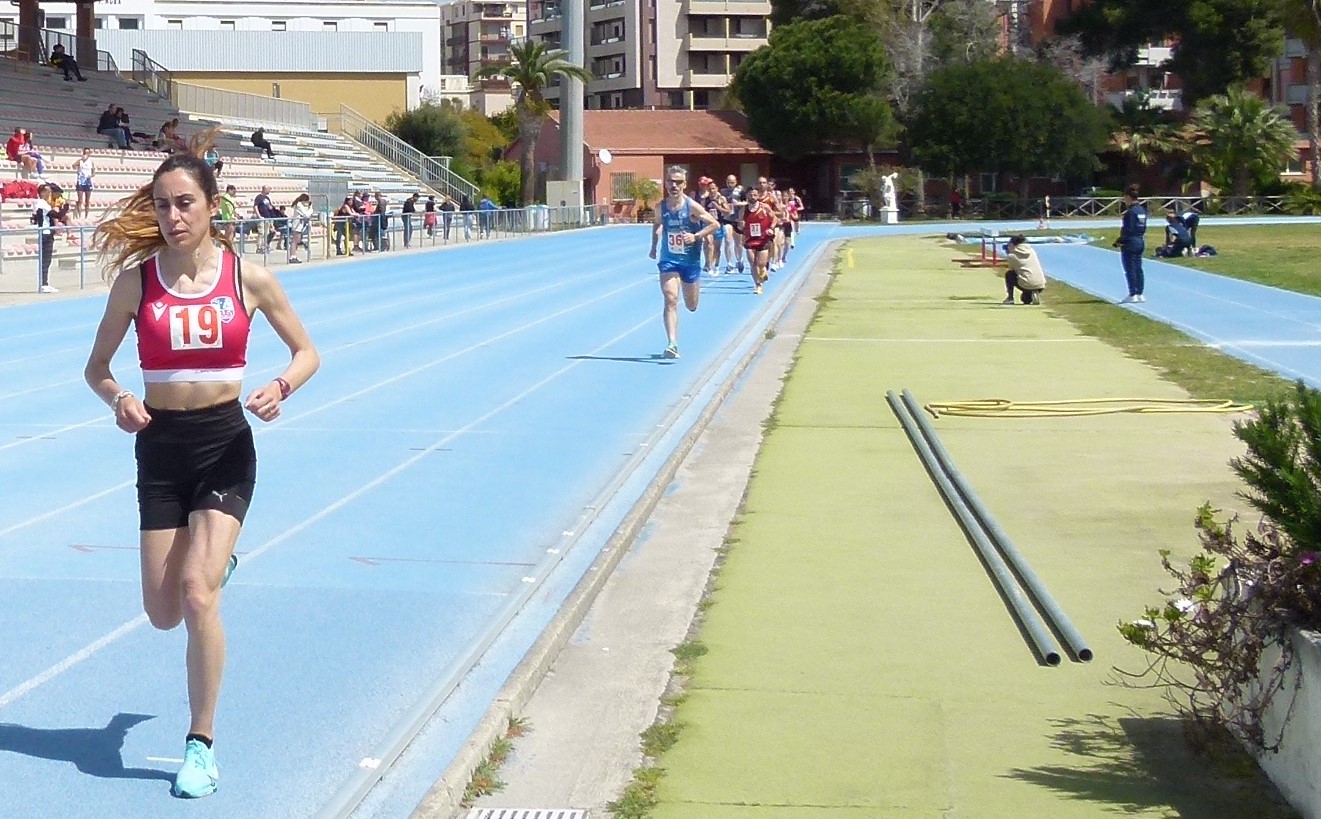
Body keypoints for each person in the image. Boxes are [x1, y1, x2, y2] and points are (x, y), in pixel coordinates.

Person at [83, 136, 319, 799]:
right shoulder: (137, 282)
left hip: (224, 444)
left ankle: (201, 744)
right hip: (160, 450)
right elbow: (96, 368)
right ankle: (218, 566)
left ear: (213, 206)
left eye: (185, 203)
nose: (172, 216)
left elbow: (307, 353)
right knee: (162, 612)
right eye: (162, 205)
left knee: (195, 594)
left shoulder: (249, 278)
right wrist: (119, 398)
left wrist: (281, 386)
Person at [648, 165, 718, 359]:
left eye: (678, 182)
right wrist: (654, 247)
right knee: (670, 298)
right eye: (671, 181)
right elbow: (656, 224)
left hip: (690, 261)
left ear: (684, 185)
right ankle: (672, 343)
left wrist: (696, 236)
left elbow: (714, 224)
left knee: (691, 305)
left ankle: (694, 294)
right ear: (665, 183)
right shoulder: (660, 207)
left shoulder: (691, 206)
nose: (674, 186)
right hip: (669, 260)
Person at [1113, 184, 1148, 303]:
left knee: (1130, 269)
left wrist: (1119, 241)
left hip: (1131, 242)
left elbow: (1128, 229)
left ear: (1128, 197)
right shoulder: (1142, 210)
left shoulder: (1130, 212)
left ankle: (1133, 293)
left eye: (1125, 198)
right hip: (1140, 240)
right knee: (1138, 268)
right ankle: (1140, 293)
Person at [742, 187, 776, 295]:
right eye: (751, 195)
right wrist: (740, 225)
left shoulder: (764, 207)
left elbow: (774, 218)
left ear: (758, 196)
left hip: (763, 238)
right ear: (747, 195)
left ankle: (763, 270)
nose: (753, 197)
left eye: (755, 195)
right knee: (752, 263)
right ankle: (757, 285)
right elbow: (739, 221)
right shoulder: (744, 209)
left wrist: (771, 228)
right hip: (749, 239)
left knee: (761, 264)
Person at [1001, 235, 1046, 305]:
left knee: (1009, 274)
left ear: (1012, 244)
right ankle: (1033, 293)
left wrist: (1009, 253)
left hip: (1026, 284)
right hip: (1040, 284)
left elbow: (1012, 269)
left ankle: (1010, 298)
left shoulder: (1012, 256)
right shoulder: (1031, 251)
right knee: (1025, 300)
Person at [32, 183, 58, 293]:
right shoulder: (41, 203)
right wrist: (65, 208)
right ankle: (43, 284)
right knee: (45, 259)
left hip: (47, 233)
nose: (49, 194)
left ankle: (45, 283)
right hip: (45, 233)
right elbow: (55, 215)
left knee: (47, 259)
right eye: (47, 191)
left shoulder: (44, 203)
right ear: (42, 192)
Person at [718, 174, 746, 277]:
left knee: (738, 243)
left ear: (736, 182)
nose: (730, 184)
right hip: (727, 219)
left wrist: (738, 205)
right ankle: (730, 264)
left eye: (732, 182)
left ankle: (740, 259)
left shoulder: (740, 191)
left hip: (737, 220)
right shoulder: (722, 192)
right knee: (728, 239)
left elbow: (747, 203)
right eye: (728, 182)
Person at [288, 193, 312, 263]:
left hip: (299, 225)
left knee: (297, 241)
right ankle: (292, 256)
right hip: (297, 225)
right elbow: (306, 215)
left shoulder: (300, 205)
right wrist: (311, 209)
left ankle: (294, 255)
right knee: (294, 241)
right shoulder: (299, 205)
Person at [73, 147, 96, 219]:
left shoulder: (91, 162)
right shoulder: (80, 161)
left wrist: (91, 175)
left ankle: (86, 216)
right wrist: (77, 168)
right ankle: (79, 216)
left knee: (87, 200)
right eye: (85, 152)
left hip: (88, 182)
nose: (86, 154)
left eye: (87, 153)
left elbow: (94, 172)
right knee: (80, 199)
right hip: (80, 181)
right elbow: (73, 166)